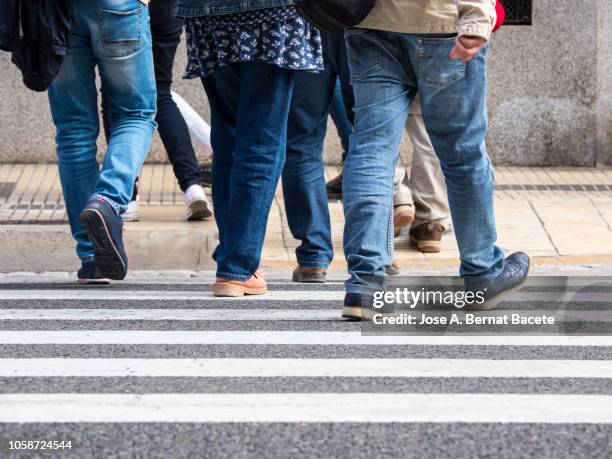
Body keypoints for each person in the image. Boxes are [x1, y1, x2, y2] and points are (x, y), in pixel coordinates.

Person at [341, 0, 530, 319]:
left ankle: (366, 284)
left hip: (371, 21)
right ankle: (481, 272)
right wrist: (475, 21)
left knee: (371, 151)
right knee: (463, 155)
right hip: (443, 23)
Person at [177, 0, 323, 296]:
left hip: (206, 13)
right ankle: (238, 265)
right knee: (261, 142)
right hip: (272, 11)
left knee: (228, 139)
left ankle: (236, 257)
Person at [48, 0, 157, 283]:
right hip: (118, 5)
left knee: (73, 130)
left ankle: (91, 256)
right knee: (136, 114)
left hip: (55, 12)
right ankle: (108, 198)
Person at [101, 0, 212, 223]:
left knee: (115, 95)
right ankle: (193, 187)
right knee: (161, 92)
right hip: (168, 8)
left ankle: (128, 197)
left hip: (124, 7)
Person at [283, 31, 354, 284]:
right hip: (360, 21)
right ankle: (375, 249)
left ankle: (313, 257)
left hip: (306, 20)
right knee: (368, 142)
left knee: (302, 142)